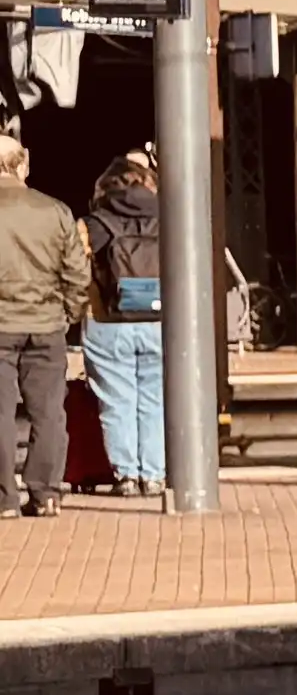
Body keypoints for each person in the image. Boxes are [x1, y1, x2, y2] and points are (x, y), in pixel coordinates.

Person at [0, 132, 86, 517]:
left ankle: (3, 500)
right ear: (23, 164)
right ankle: (45, 493)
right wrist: (70, 313)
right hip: (47, 324)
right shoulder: (56, 211)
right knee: (49, 412)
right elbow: (77, 274)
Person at [76, 149, 163, 496]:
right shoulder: (171, 218)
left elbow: (73, 268)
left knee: (116, 400)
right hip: (160, 319)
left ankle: (126, 476)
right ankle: (154, 475)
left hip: (107, 321)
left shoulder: (94, 224)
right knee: (155, 399)